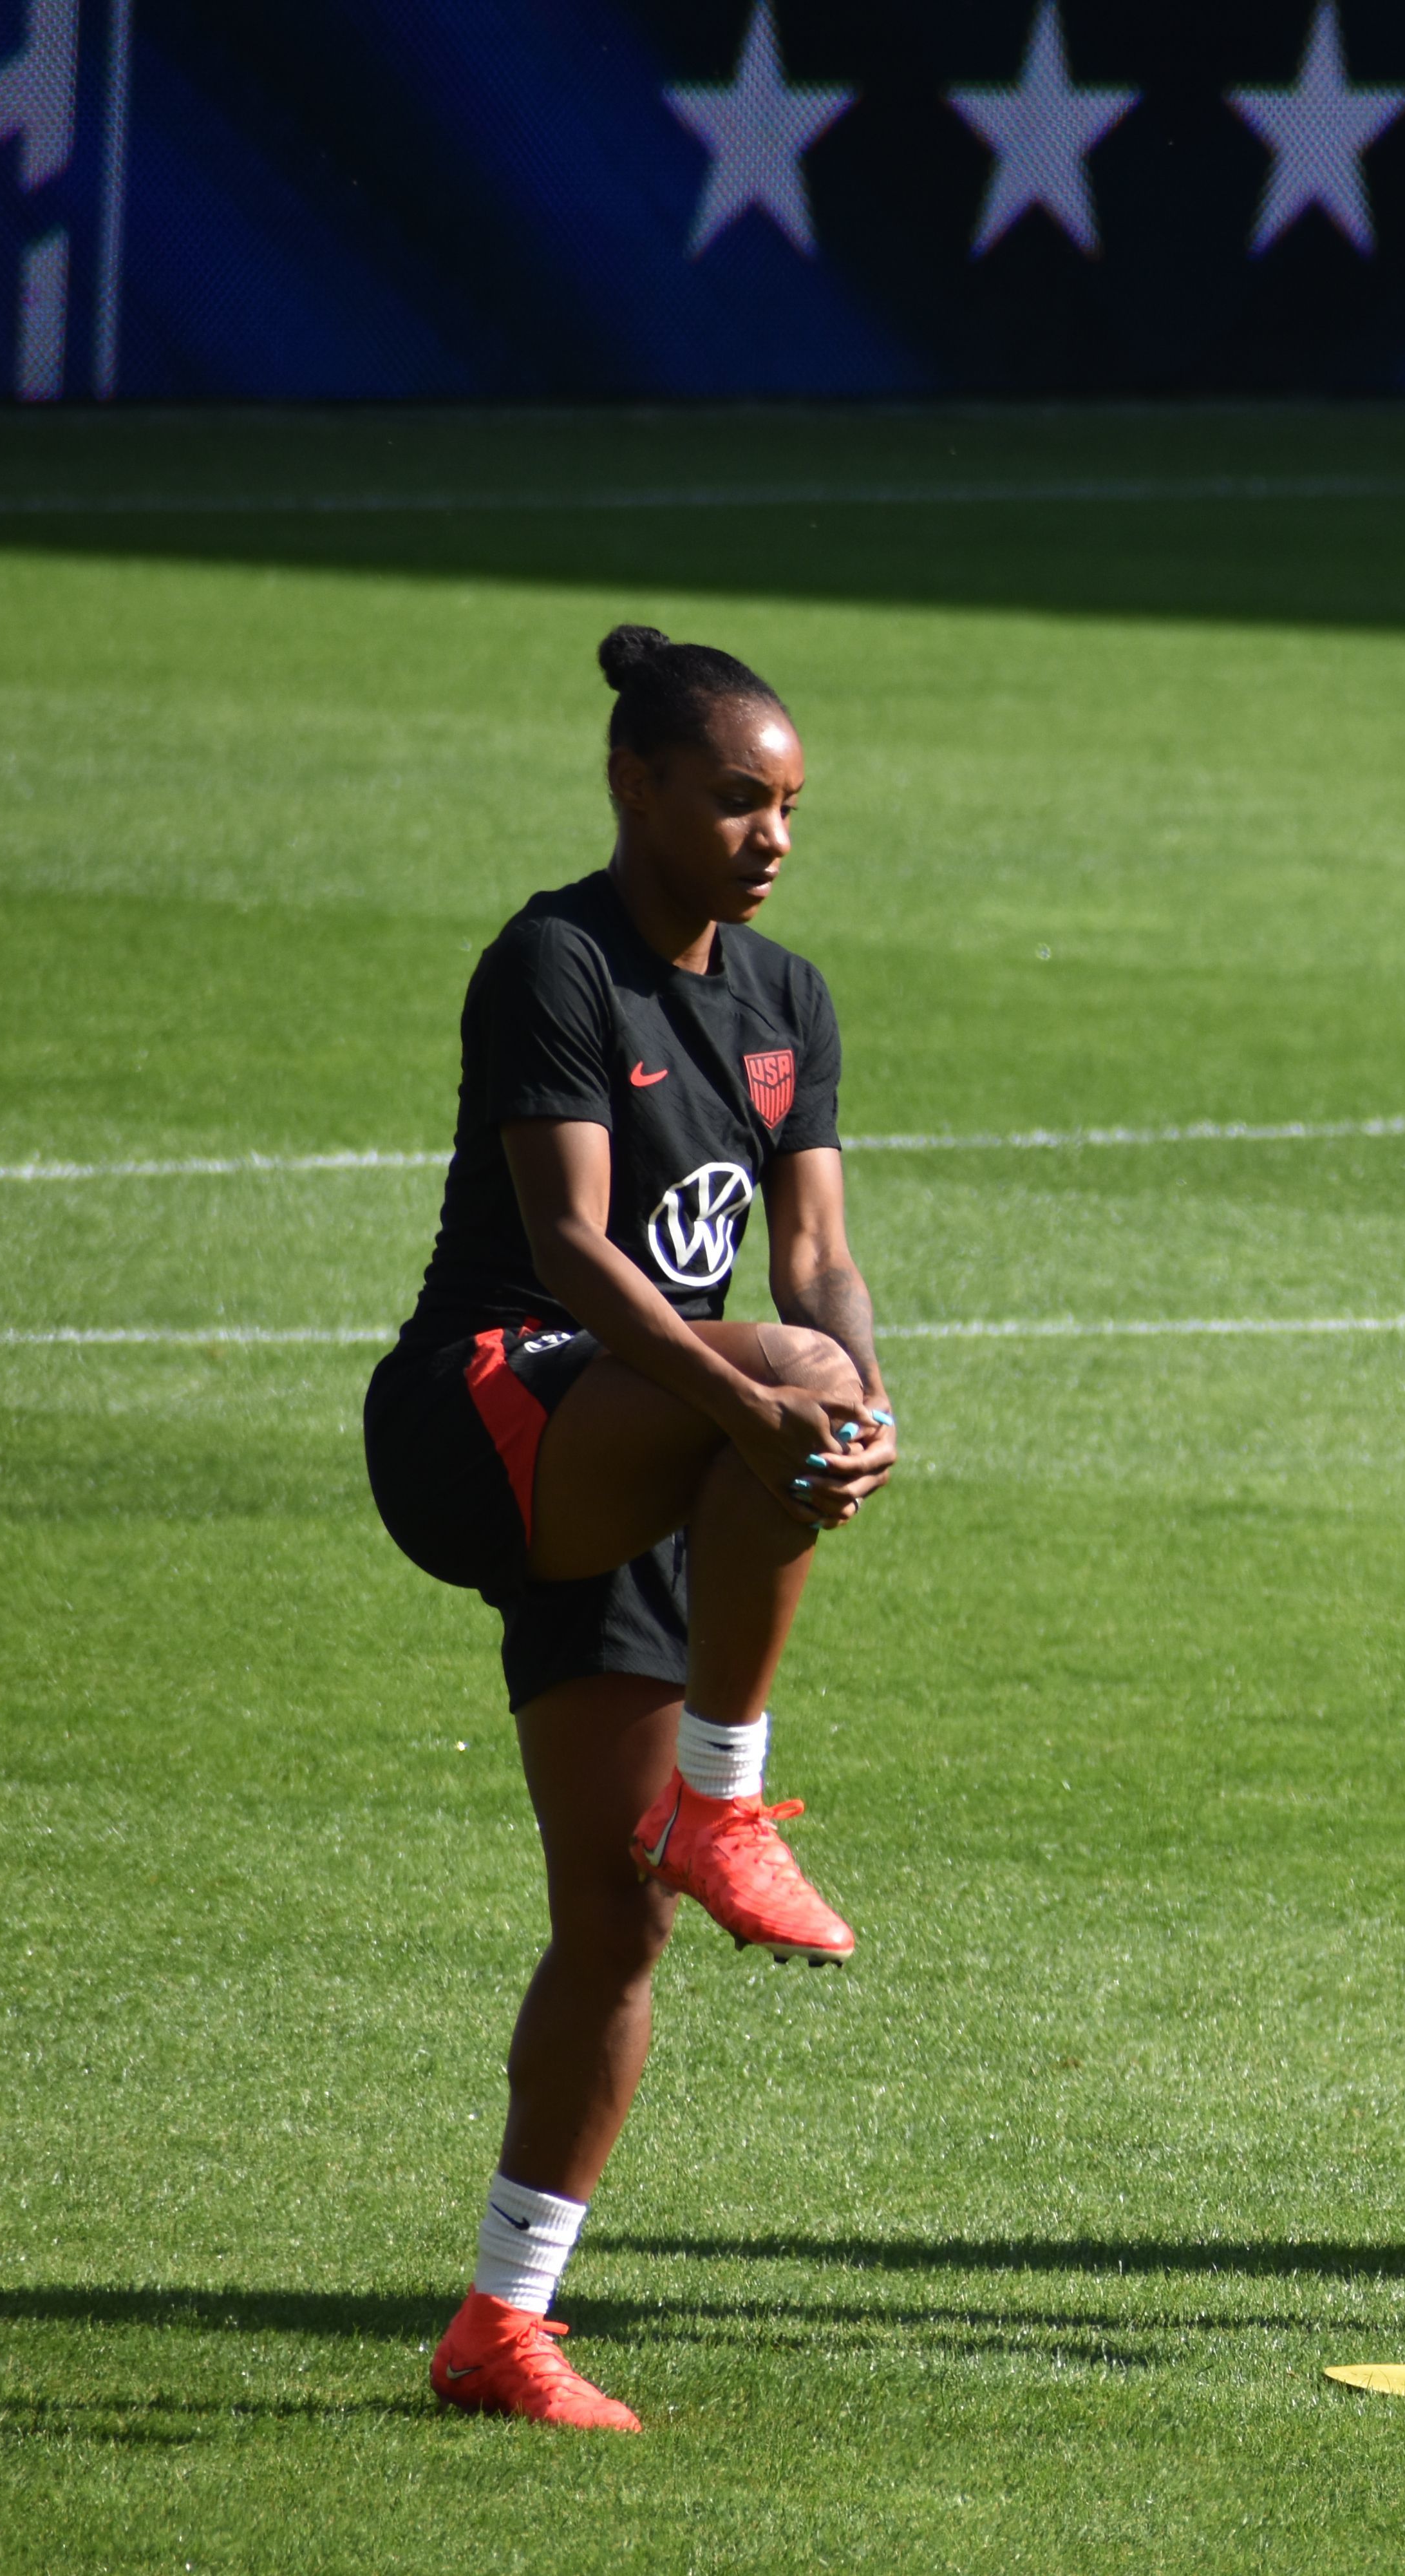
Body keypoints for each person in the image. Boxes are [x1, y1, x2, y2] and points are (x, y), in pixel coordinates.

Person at [362, 626, 893, 2428]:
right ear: (638, 785)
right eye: (740, 797)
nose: (772, 834)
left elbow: (816, 1254)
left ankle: (501, 2328)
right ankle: (729, 1802)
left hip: (656, 1443)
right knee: (780, 1373)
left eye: (793, 806)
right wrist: (765, 1402)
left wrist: (854, 1402)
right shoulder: (555, 960)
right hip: (484, 1409)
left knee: (612, 1923)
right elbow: (578, 1244)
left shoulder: (788, 1000)